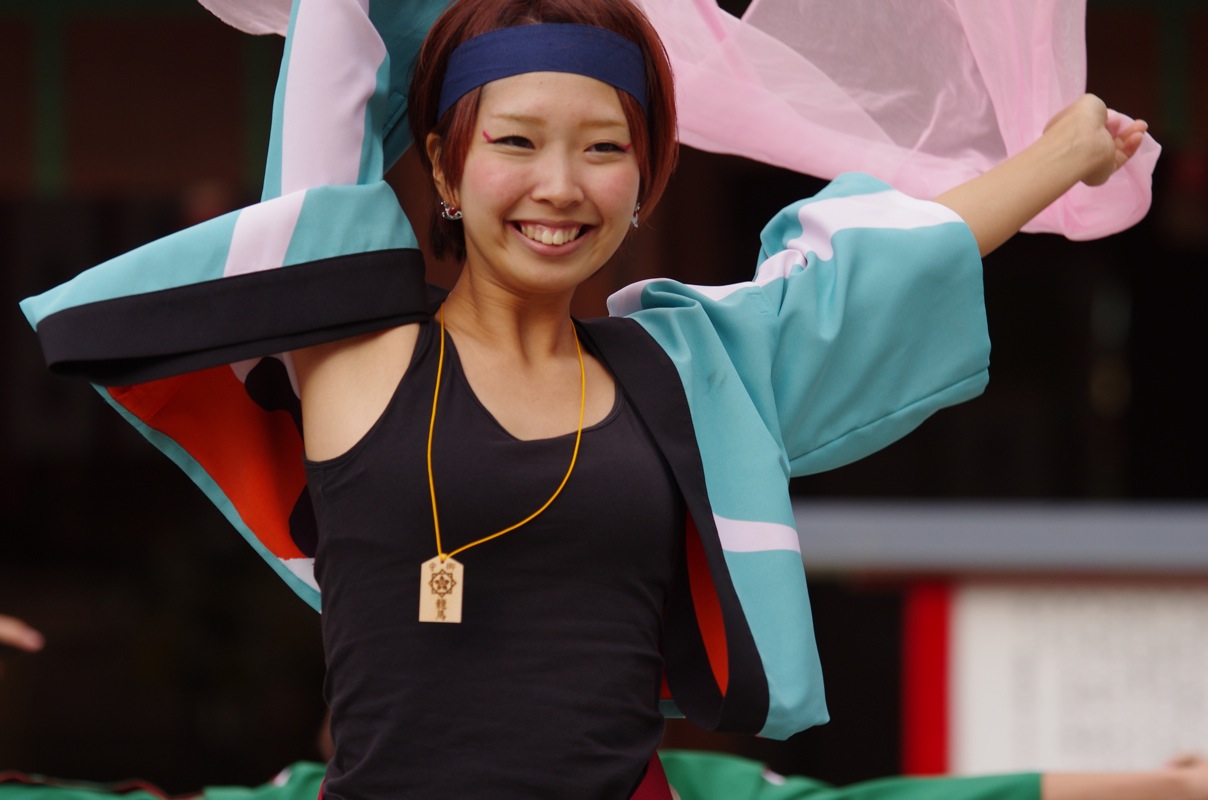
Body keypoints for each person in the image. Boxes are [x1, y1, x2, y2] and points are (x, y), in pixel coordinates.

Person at [18, 0, 1148, 798]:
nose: (560, 185)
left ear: (648, 177)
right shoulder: (353, 346)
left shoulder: (682, 373)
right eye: (514, 142)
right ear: (445, 173)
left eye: (603, 148)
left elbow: (873, 281)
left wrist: (1063, 154)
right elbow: (332, 80)